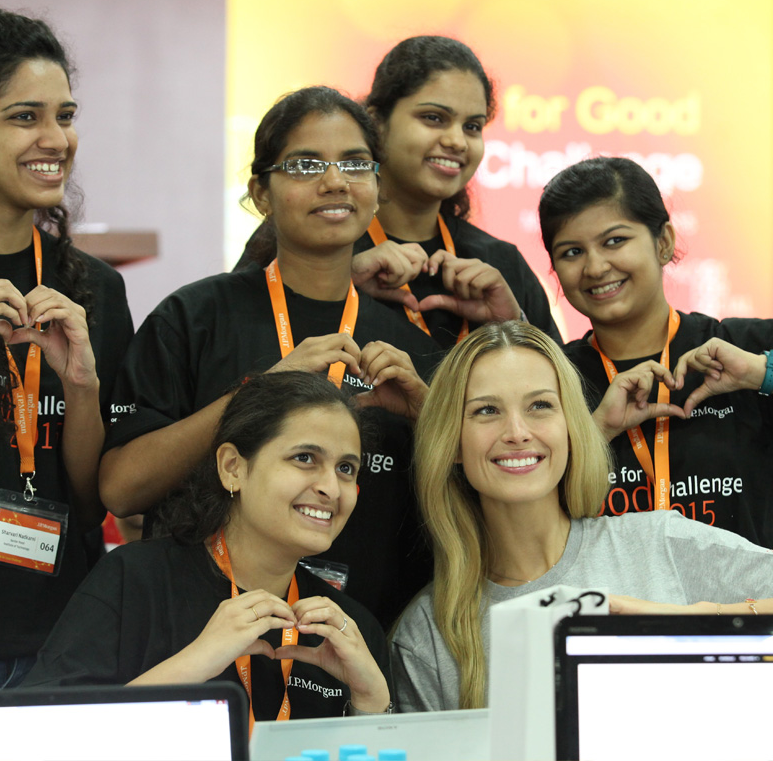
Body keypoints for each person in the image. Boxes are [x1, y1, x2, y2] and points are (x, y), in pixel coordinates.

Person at [100, 86, 442, 629]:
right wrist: (255, 395)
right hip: (193, 633)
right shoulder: (194, 318)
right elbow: (121, 489)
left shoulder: (411, 348)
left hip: (355, 639)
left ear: (377, 189)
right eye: (306, 165)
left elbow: (468, 516)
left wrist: (430, 415)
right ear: (261, 193)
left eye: (355, 164)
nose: (335, 181)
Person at [390, 321, 773, 712]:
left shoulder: (661, 543)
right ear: (453, 442)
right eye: (487, 410)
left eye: (540, 406)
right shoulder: (425, 635)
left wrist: (687, 620)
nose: (517, 432)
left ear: (571, 426)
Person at [25, 372, 392, 725]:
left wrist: (372, 702)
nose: (331, 487)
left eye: (346, 468)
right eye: (305, 458)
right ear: (232, 467)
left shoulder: (350, 628)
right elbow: (36, 737)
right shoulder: (134, 581)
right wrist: (195, 663)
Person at [0, 7, 133, 688]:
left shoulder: (95, 288)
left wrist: (83, 388)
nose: (55, 138)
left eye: (65, 116)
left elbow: (97, 503)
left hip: (62, 645)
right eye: (24, 117)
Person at [240, 36, 561, 349]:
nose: (457, 141)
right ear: (377, 122)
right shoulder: (302, 236)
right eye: (433, 118)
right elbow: (236, 346)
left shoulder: (499, 262)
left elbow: (562, 383)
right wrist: (336, 282)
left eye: (472, 127)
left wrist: (513, 324)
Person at [538, 157, 773, 545]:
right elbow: (517, 512)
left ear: (663, 242)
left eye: (615, 241)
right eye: (572, 252)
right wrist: (597, 432)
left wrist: (760, 374)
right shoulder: (546, 379)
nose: (595, 267)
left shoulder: (745, 348)